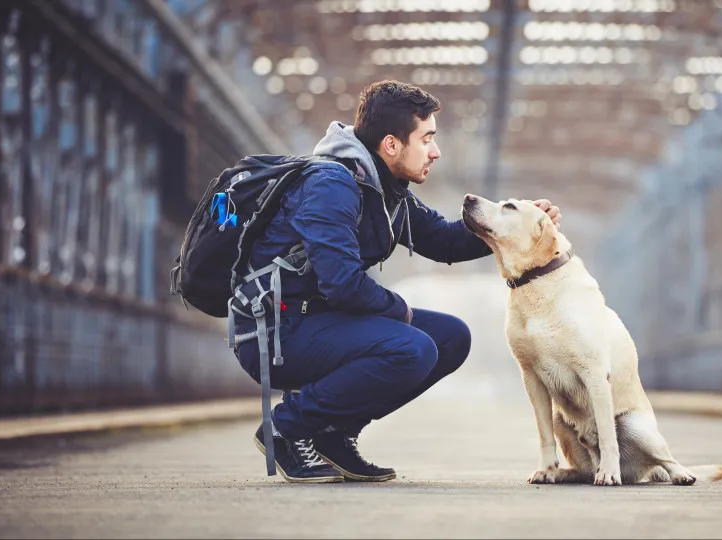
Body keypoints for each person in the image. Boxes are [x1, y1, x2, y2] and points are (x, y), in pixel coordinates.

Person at [233, 80, 562, 483]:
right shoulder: (331, 186)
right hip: (277, 332)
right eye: (427, 139)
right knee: (412, 348)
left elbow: (443, 239)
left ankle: (334, 434)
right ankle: (286, 427)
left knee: (451, 337)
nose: (435, 151)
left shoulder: (387, 191)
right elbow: (343, 285)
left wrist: (510, 225)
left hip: (321, 321)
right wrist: (401, 311)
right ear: (391, 144)